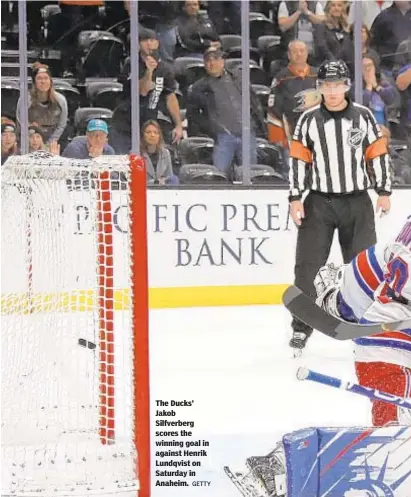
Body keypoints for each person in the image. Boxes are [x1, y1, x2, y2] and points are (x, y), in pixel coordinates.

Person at [288, 59, 392, 354]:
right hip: (319, 201)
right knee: (308, 265)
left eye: (337, 85)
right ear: (319, 88)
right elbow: (299, 161)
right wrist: (295, 196)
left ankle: (365, 323)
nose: (332, 91)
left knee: (363, 267)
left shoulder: (364, 117)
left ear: (347, 86)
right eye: (326, 86)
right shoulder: (307, 120)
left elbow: (377, 155)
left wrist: (383, 191)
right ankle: (301, 326)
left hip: (358, 201)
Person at [315, 215, 411, 426]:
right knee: (396, 430)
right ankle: (335, 300)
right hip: (384, 329)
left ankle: (336, 300)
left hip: (373, 278)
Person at [16, 63, 68, 145]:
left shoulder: (60, 100)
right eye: (39, 78)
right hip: (31, 140)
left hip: (54, 141)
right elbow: (21, 122)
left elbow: (61, 125)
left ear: (50, 81)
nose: (43, 81)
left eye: (46, 78)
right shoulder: (25, 100)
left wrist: (48, 144)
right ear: (34, 82)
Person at [140, 120, 178, 185]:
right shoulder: (136, 155)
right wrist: (156, 182)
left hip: (163, 191)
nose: (152, 135)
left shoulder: (165, 153)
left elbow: (169, 177)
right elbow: (136, 182)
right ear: (143, 135)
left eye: (155, 132)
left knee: (174, 179)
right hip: (144, 192)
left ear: (159, 136)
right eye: (148, 132)